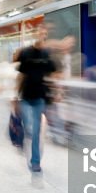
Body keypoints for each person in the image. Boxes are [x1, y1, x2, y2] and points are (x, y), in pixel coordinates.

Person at [17, 27, 58, 177]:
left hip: (40, 98)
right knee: (28, 128)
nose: (42, 36)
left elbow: (53, 75)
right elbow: (20, 76)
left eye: (45, 34)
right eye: (40, 33)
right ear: (35, 35)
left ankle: (36, 161)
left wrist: (56, 91)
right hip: (25, 97)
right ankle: (26, 145)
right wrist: (15, 96)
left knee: (35, 131)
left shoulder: (47, 55)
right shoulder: (26, 53)